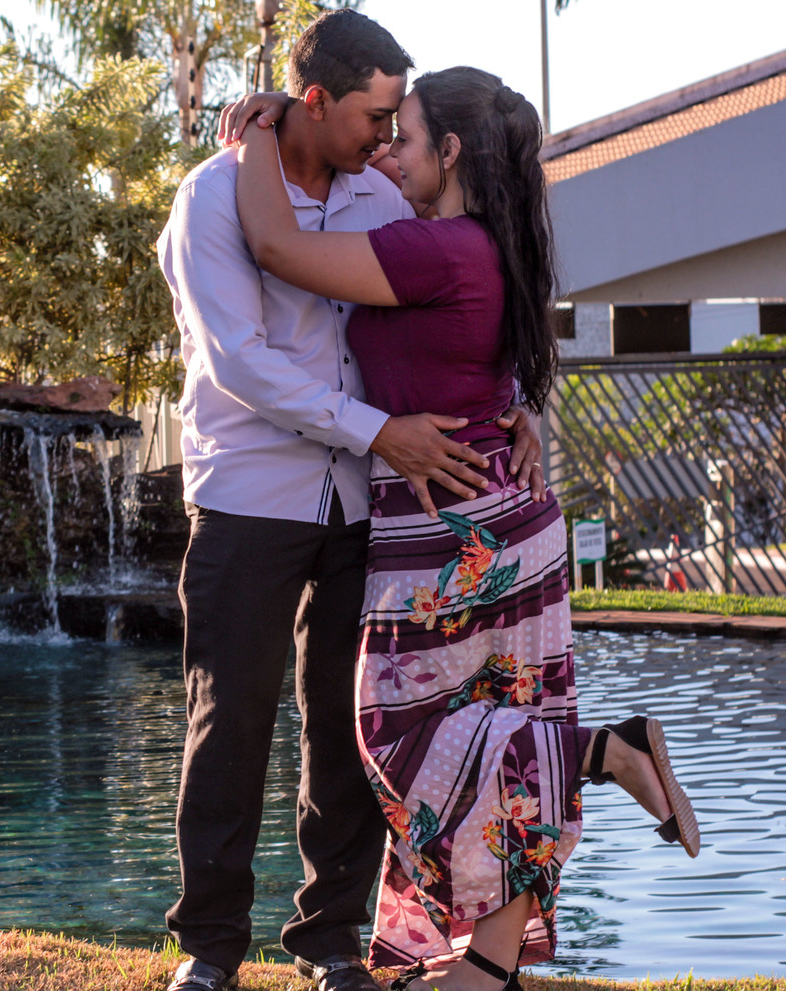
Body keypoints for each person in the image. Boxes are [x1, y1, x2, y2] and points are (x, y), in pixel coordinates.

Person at [225, 66, 701, 991]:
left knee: (394, 733)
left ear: (450, 151)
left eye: (403, 139)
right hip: (486, 524)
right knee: (490, 733)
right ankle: (487, 965)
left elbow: (276, 247)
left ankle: (609, 754)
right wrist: (516, 407)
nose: (387, 154)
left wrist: (260, 130)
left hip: (462, 539)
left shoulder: (437, 248)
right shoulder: (490, 246)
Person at [155, 13, 545, 991]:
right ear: (313, 101)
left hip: (367, 501)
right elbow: (239, 359)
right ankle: (208, 948)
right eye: (375, 115)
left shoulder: (382, 194)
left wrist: (521, 402)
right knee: (229, 714)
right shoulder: (211, 199)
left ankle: (331, 942)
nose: (385, 138)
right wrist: (376, 430)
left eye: (397, 122)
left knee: (351, 722)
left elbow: (471, 303)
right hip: (252, 492)